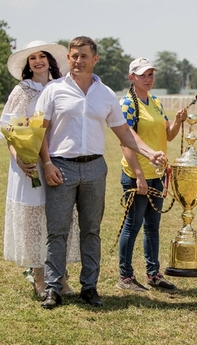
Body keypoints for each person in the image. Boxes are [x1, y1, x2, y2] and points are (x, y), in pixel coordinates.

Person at [37, 36, 167, 310]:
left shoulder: (105, 94)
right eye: (73, 55)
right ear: (68, 58)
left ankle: (89, 287)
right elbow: (40, 132)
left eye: (84, 56)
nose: (77, 60)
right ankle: (52, 288)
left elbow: (124, 132)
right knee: (57, 231)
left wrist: (149, 152)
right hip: (61, 167)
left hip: (95, 167)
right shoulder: (53, 90)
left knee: (91, 231)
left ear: (95, 59)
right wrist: (47, 164)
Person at [0, 40, 79, 299]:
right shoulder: (22, 91)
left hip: (60, 162)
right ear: (27, 64)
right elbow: (10, 131)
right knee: (34, 221)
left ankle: (61, 276)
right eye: (32, 58)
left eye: (41, 56)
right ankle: (39, 277)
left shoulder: (62, 87)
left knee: (59, 218)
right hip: (30, 166)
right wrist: (21, 159)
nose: (37, 61)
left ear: (50, 60)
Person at [116, 58, 187, 292]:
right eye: (143, 75)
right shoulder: (127, 104)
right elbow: (125, 143)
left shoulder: (155, 102)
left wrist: (177, 122)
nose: (148, 79)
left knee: (152, 227)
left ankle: (153, 274)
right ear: (132, 78)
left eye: (151, 74)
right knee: (132, 225)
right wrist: (139, 176)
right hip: (138, 176)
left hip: (158, 175)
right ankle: (125, 277)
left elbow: (168, 136)